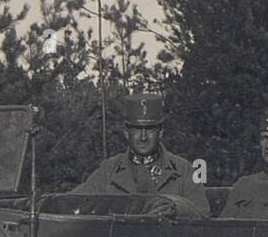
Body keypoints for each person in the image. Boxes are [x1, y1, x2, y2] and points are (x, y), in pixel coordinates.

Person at [71, 93, 209, 217]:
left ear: (160, 132)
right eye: (137, 129)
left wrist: (176, 207)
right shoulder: (109, 170)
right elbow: (73, 203)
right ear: (126, 132)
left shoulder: (184, 170)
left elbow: (203, 213)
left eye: (150, 129)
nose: (143, 137)